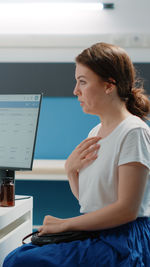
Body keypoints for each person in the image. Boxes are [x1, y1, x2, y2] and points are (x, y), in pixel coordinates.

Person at [3, 42, 150, 267]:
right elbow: (92, 203)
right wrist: (71, 172)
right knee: (17, 256)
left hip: (124, 239)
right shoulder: (96, 132)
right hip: (100, 230)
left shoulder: (134, 132)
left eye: (82, 82)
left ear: (109, 85)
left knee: (22, 261)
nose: (75, 91)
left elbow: (127, 210)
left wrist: (66, 224)